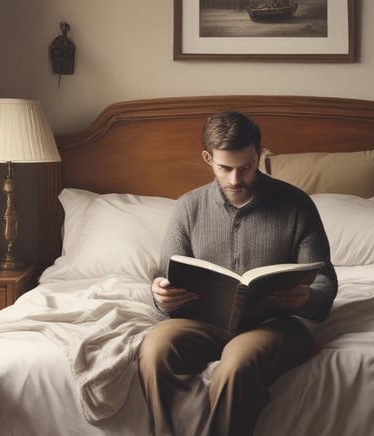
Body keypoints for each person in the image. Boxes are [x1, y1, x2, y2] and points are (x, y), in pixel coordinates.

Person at [137, 111, 338, 436]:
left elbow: (325, 284)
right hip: (199, 322)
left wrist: (306, 298)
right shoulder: (188, 207)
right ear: (207, 158)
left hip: (275, 325)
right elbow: (167, 276)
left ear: (258, 153)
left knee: (237, 365)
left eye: (245, 167)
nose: (235, 179)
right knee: (154, 350)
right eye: (224, 168)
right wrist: (162, 296)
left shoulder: (297, 205)